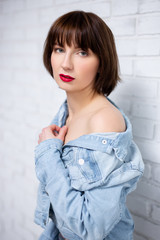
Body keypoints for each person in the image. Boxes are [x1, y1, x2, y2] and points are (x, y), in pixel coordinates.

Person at [34, 11, 144, 240]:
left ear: (102, 61)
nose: (65, 63)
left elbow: (88, 229)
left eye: (82, 52)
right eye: (59, 49)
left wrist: (48, 154)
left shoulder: (103, 121)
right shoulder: (66, 111)